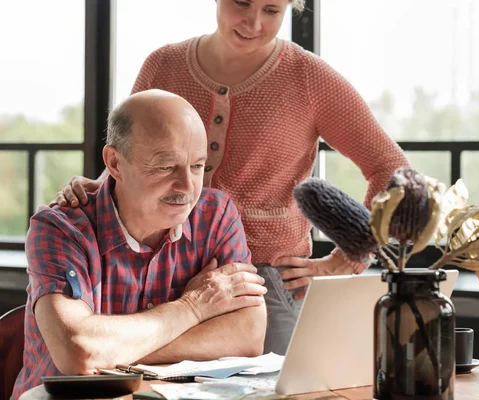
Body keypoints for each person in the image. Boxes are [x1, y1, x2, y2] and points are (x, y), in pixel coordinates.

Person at [52, 0, 410, 355]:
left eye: (271, 11)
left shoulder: (309, 78)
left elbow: (391, 169)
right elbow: (131, 152)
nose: (253, 22)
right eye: (242, 3)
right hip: (161, 271)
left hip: (264, 281)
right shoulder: (164, 65)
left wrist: (349, 259)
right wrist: (98, 184)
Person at [12, 89, 267, 399]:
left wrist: (117, 351)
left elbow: (250, 334)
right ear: (115, 163)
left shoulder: (216, 216)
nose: (187, 187)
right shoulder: (60, 229)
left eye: (198, 166)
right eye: (165, 167)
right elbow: (79, 352)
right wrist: (193, 307)